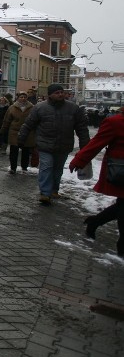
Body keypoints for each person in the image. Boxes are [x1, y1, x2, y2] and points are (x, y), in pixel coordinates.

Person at [18, 84, 90, 205]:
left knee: (57, 169)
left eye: (61, 92)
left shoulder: (73, 108)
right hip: (44, 144)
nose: (60, 94)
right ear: (50, 95)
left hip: (64, 145)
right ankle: (45, 193)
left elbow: (81, 128)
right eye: (57, 93)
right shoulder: (40, 108)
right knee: (46, 166)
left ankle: (54, 189)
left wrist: (85, 146)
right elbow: (28, 124)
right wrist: (21, 139)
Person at [69, 107, 124, 257]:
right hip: (120, 171)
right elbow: (96, 143)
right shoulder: (115, 122)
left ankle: (94, 222)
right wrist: (79, 160)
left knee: (122, 205)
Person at [0, 91, 35, 174]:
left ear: (27, 98)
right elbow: (7, 120)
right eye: (21, 97)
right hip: (14, 131)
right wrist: (3, 130)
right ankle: (13, 167)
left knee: (26, 150)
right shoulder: (12, 107)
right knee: (14, 150)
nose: (23, 99)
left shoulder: (32, 107)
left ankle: (24, 167)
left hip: (27, 131)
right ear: (18, 98)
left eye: (24, 97)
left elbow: (35, 119)